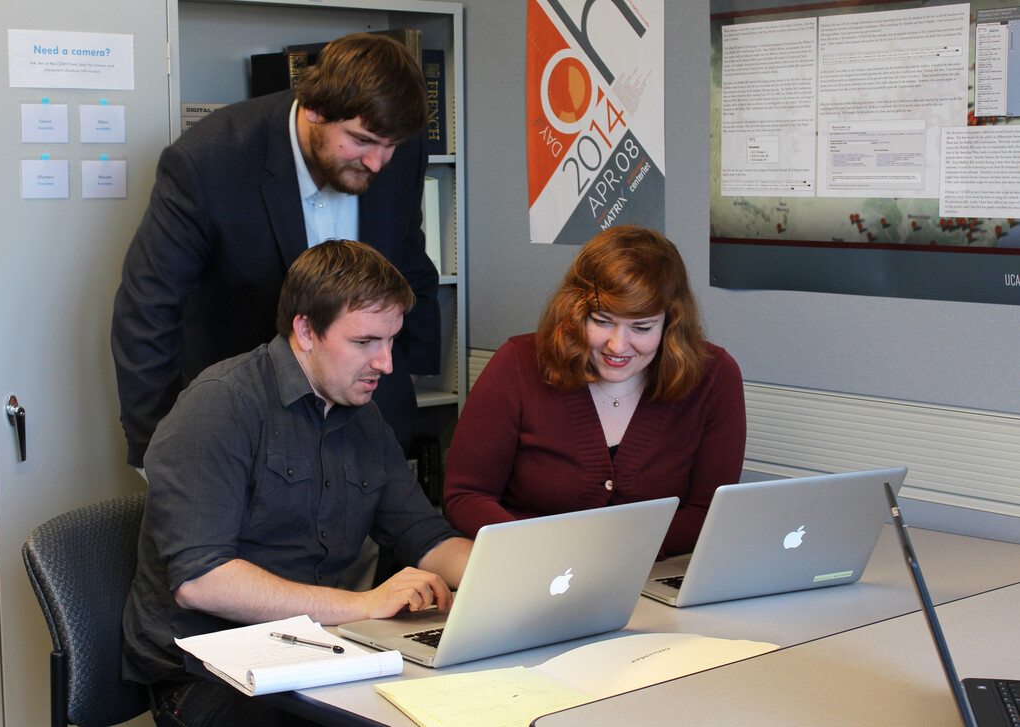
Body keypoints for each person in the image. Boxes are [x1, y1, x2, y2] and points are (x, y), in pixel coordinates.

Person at [121, 240, 471, 727]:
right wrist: (364, 605)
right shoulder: (220, 406)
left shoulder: (361, 415)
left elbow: (425, 536)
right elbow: (202, 583)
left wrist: (513, 579)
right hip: (209, 674)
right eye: (366, 342)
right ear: (305, 330)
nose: (386, 364)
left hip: (319, 650)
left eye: (391, 341)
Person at [111, 32, 439, 470]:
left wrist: (404, 375)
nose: (378, 162)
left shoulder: (397, 141)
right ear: (314, 110)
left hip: (368, 432)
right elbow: (147, 310)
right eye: (361, 141)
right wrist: (161, 449)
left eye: (390, 146)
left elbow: (409, 260)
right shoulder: (207, 162)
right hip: (242, 436)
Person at [442, 226, 746, 557]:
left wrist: (613, 553)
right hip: (531, 569)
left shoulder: (714, 376)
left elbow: (709, 511)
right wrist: (538, 551)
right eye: (601, 321)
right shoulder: (518, 364)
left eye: (641, 328)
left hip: (653, 580)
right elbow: (466, 495)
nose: (617, 345)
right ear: (575, 312)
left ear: (671, 324)